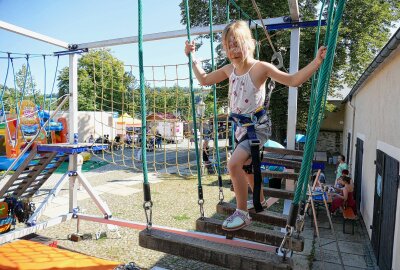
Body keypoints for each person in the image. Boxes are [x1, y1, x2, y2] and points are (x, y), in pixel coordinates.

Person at [185, 20, 327, 231]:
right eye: (228, 45)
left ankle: (242, 213)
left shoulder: (260, 67)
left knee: (233, 165)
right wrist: (192, 57)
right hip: (240, 129)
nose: (233, 49)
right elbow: (204, 80)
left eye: (237, 43)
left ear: (249, 44)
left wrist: (316, 62)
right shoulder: (229, 70)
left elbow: (293, 80)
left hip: (257, 128)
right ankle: (258, 200)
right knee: (246, 166)